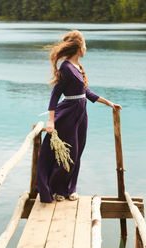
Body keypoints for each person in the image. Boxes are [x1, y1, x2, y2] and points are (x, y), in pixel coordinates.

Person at [35, 30, 122, 203]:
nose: (86, 48)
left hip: (81, 114)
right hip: (68, 114)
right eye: (85, 45)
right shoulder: (66, 68)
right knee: (70, 153)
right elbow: (55, 94)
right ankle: (56, 189)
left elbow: (85, 92)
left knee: (78, 151)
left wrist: (109, 103)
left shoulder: (78, 67)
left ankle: (69, 189)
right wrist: (51, 121)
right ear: (79, 47)